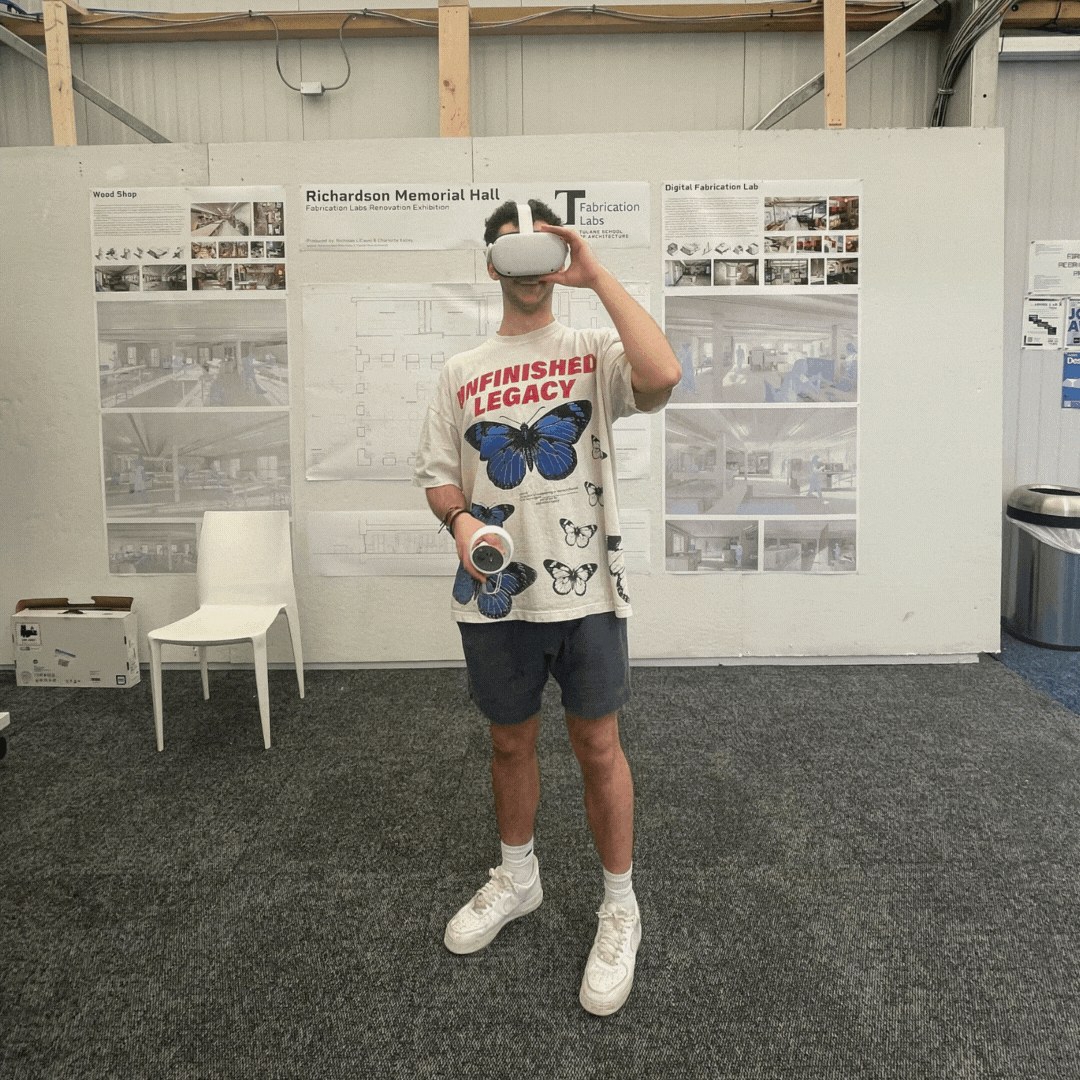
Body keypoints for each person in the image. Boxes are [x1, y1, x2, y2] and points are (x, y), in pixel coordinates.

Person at [413, 198, 681, 1016]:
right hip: (494, 592)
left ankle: (619, 905)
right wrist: (460, 520)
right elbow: (438, 474)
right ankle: (518, 878)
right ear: (491, 264)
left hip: (589, 585)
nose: (529, 270)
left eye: (542, 251)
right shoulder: (460, 368)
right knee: (507, 741)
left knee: (598, 744)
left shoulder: (594, 350)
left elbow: (663, 376)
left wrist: (594, 274)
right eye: (512, 253)